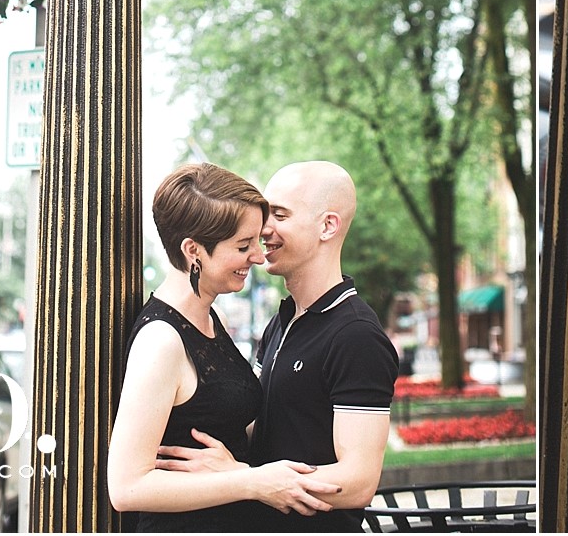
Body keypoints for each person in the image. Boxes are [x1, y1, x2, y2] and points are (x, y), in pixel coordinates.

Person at [158, 160, 398, 531]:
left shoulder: (356, 335)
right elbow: (260, 428)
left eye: (280, 216)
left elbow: (357, 481)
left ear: (327, 226)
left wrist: (245, 478)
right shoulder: (282, 322)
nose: (262, 230)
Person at [107, 163, 340, 529]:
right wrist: (252, 481)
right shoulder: (162, 341)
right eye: (243, 245)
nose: (259, 256)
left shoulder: (208, 318)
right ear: (193, 250)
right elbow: (127, 487)